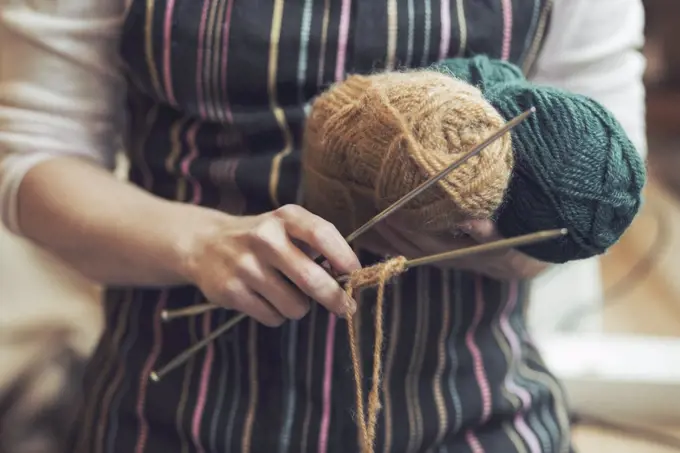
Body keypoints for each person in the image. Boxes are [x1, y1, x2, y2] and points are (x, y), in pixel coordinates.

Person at [0, 0, 646, 452]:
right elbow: (30, 157)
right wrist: (198, 242)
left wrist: (483, 242)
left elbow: (601, 192)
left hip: (472, 416)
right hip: (172, 417)